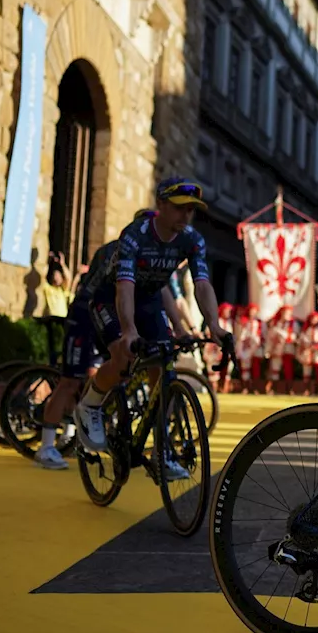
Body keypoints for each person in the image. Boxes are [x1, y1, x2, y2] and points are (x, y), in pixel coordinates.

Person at [72, 178, 230, 478]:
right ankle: (90, 405)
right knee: (122, 354)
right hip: (110, 298)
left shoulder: (192, 240)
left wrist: (214, 325)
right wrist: (129, 330)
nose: (185, 216)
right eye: (179, 208)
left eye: (191, 211)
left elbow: (201, 283)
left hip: (149, 302)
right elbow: (124, 287)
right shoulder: (136, 235)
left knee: (165, 376)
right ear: (161, 206)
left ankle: (161, 451)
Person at [34, 211, 192, 469]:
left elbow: (161, 291)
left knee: (125, 368)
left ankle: (93, 427)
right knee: (70, 382)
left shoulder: (155, 256)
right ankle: (46, 447)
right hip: (86, 315)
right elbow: (121, 290)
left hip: (118, 313)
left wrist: (179, 327)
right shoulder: (117, 249)